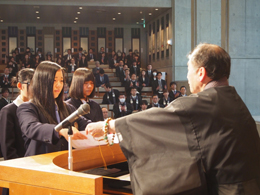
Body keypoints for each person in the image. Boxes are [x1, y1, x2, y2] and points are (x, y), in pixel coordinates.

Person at [86, 43, 260, 195]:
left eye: (188, 70)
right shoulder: (233, 98)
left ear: (201, 73)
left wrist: (110, 124)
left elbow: (159, 120)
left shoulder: (203, 103)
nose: (187, 77)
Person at [17, 61, 88, 157]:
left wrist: (105, 126)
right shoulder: (27, 107)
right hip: (40, 165)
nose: (59, 85)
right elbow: (32, 127)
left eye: (61, 81)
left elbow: (85, 124)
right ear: (42, 82)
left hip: (65, 162)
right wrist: (59, 131)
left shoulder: (68, 107)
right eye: (54, 80)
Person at [0, 68, 34, 161]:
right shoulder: (8, 111)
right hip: (19, 166)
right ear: (20, 85)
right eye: (31, 84)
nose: (35, 89)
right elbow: (8, 150)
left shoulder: (37, 109)